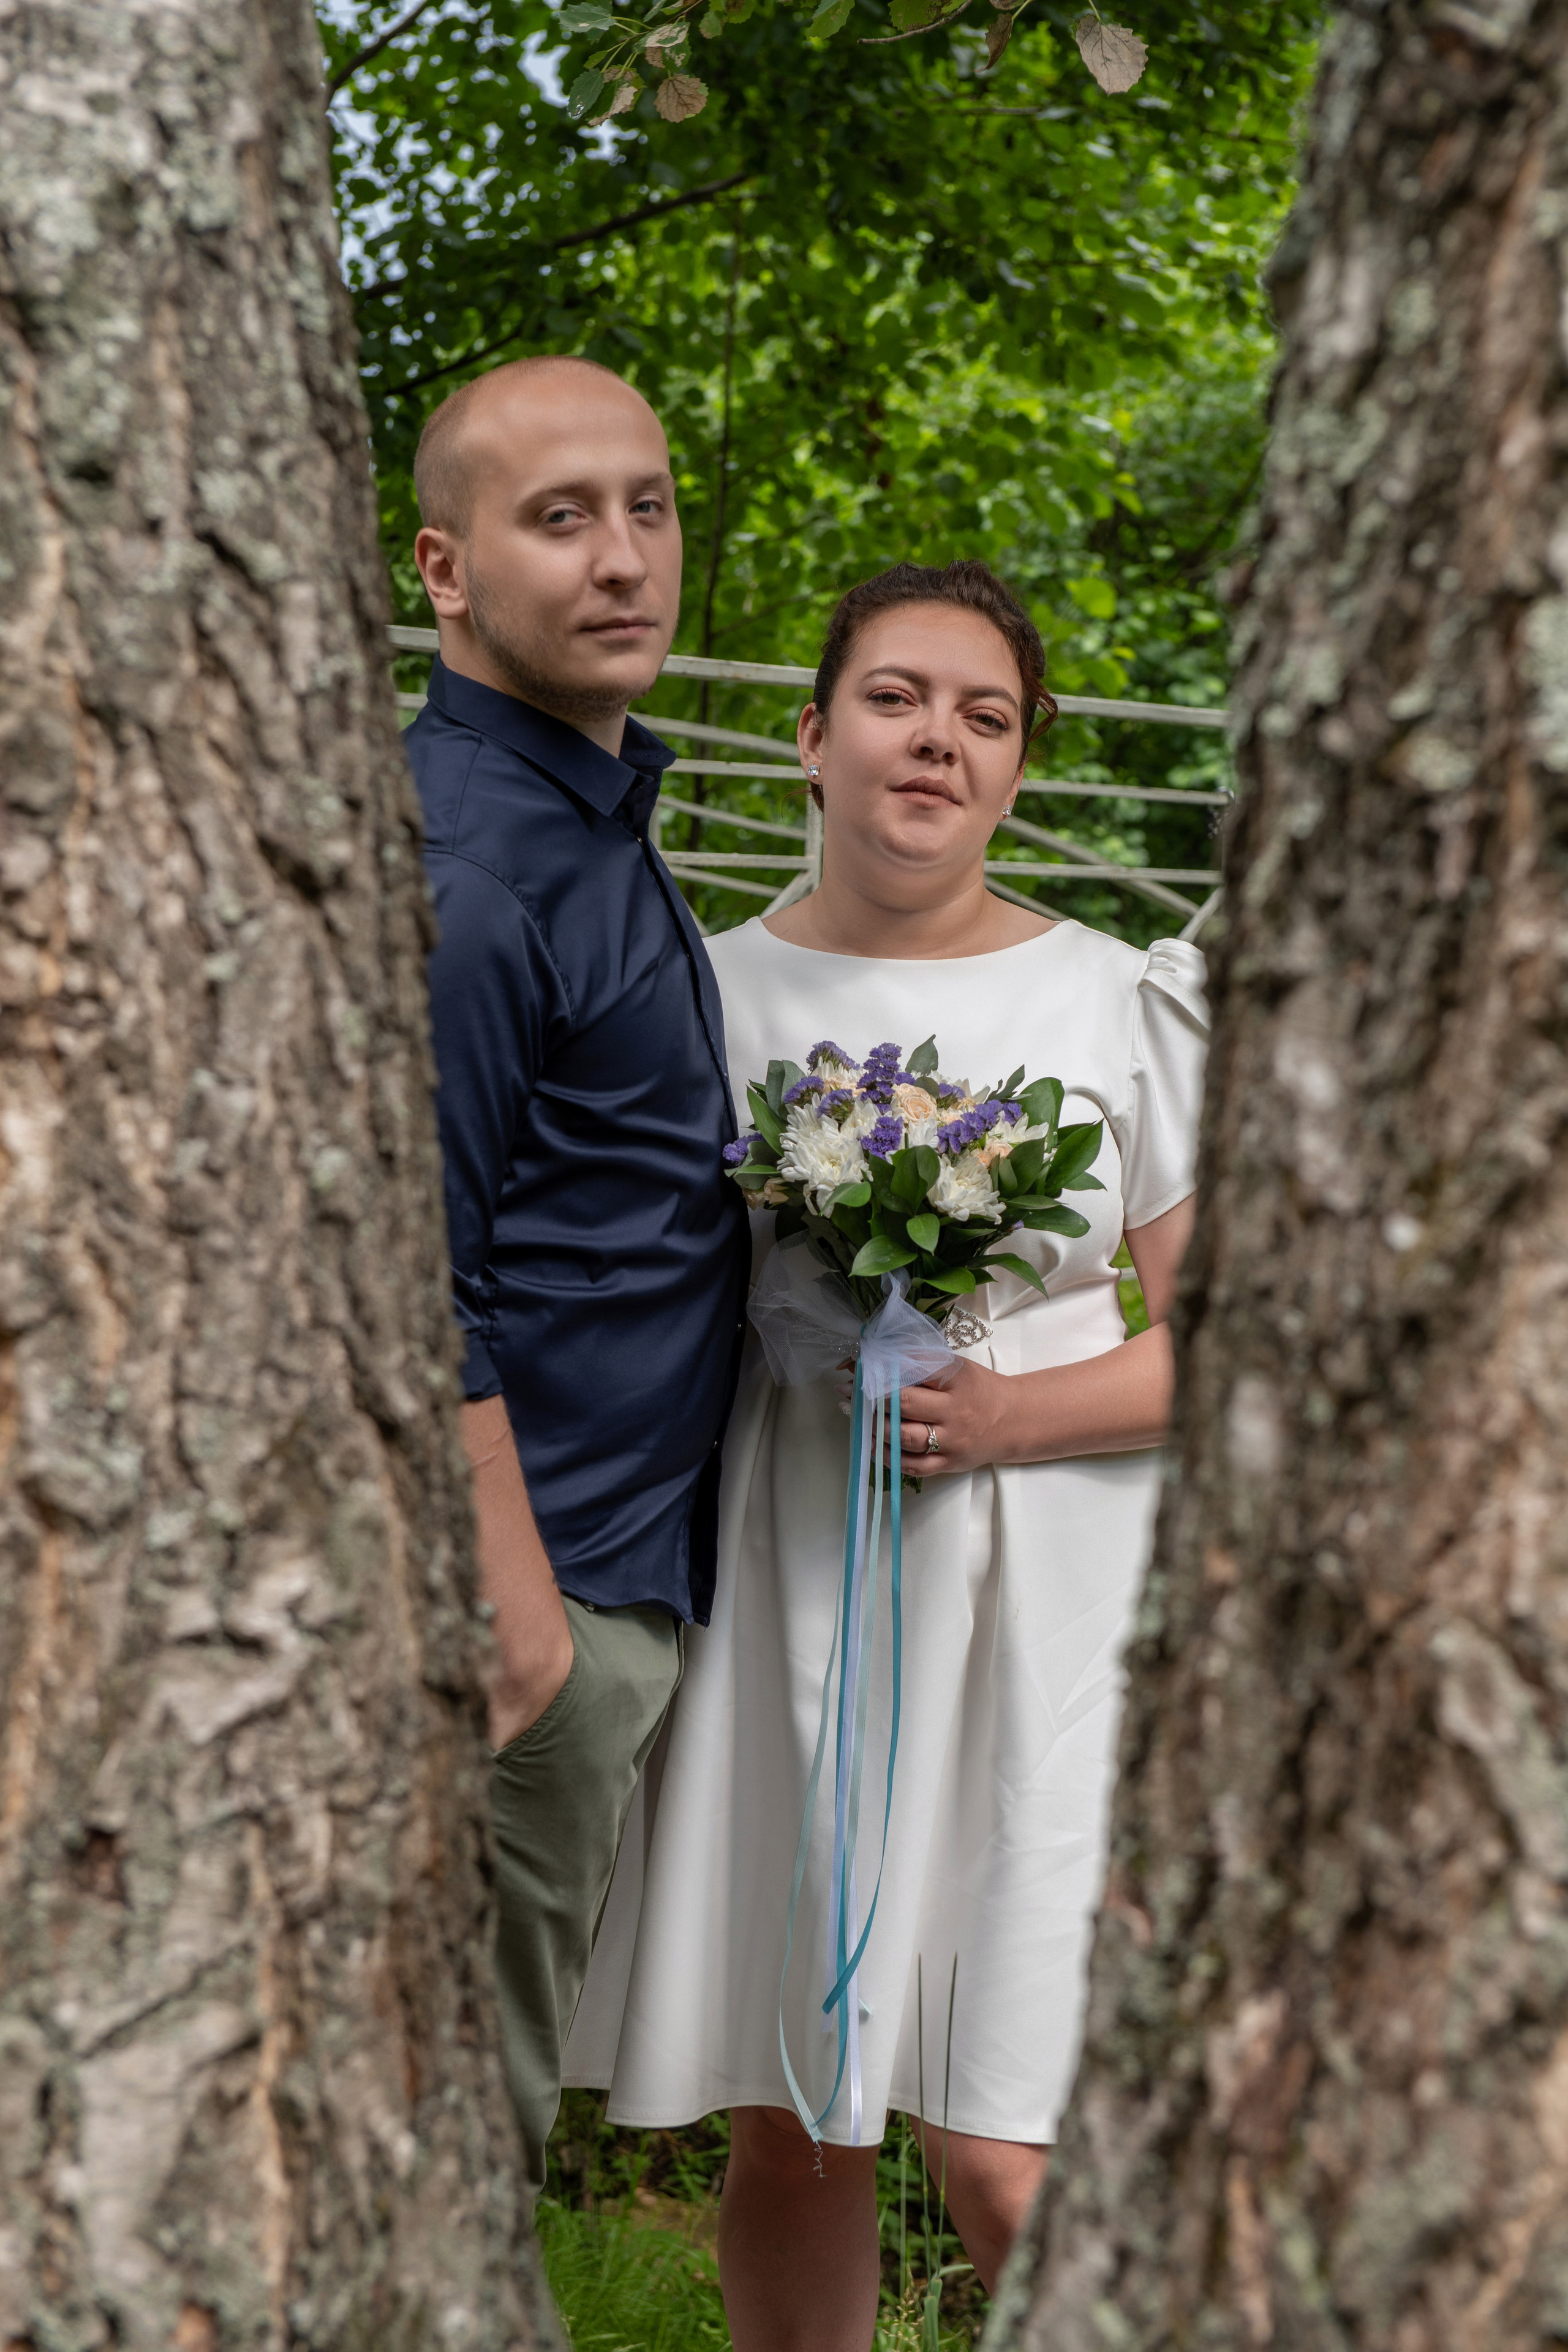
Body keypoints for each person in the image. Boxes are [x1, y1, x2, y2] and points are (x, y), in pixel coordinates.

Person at [565, 559, 1208, 2347]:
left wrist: (1008, 1414)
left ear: (1017, 773)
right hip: (789, 1580)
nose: (939, 739)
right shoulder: (701, 994)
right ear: (812, 738)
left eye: (986, 718)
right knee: (791, 2127)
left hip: (1050, 1602)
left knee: (1005, 2143)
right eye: (900, 699)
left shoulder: (1116, 1002)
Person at [404, 354, 750, 2203]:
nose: (625, 559)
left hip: (616, 1567)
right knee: (437, 2158)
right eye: (561, 519)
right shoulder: (472, 868)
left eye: (650, 504)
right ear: (445, 571)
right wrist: (521, 1628)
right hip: (524, 1603)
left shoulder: (595, 823)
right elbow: (409, 1268)